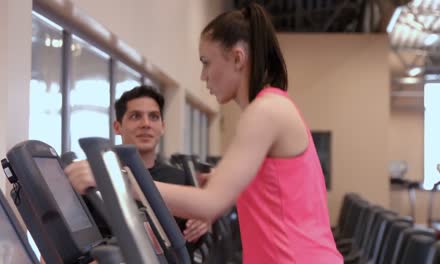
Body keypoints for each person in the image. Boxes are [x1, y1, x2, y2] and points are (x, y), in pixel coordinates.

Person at [69, 3, 343, 263]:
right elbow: (277, 189)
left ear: (237, 58)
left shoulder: (265, 111)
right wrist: (224, 181)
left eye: (206, 62)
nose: (203, 76)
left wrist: (118, 181)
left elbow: (208, 205)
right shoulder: (271, 107)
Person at [65, 86, 210, 252]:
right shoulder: (91, 177)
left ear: (162, 126)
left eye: (153, 117)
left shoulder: (180, 179)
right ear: (117, 126)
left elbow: (190, 239)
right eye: (136, 116)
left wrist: (203, 221)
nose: (146, 124)